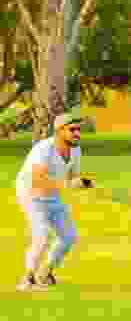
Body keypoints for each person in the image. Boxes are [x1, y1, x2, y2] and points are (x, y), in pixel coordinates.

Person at [15, 112, 95, 291]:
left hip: (52, 195)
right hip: (30, 194)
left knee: (69, 236)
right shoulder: (44, 149)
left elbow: (72, 176)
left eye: (79, 130)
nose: (77, 133)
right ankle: (27, 278)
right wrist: (68, 184)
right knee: (42, 236)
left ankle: (45, 272)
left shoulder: (76, 150)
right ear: (59, 131)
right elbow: (37, 181)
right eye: (72, 129)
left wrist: (82, 183)